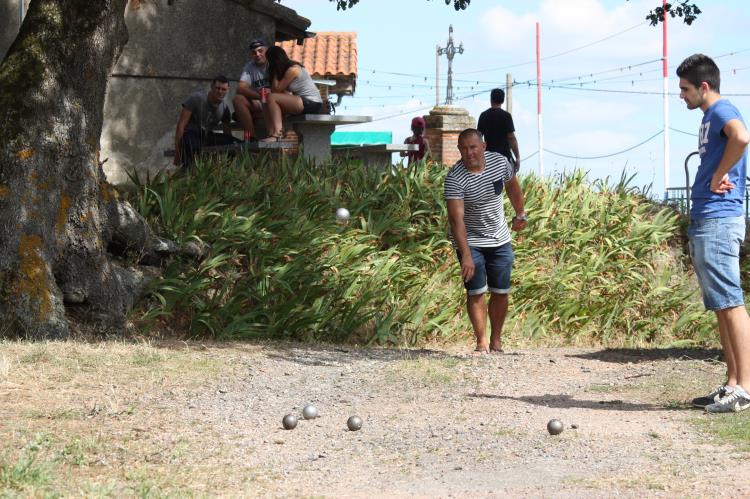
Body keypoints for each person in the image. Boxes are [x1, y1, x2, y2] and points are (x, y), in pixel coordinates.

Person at [677, 54, 750, 413]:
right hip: (709, 219)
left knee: (731, 303)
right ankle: (732, 384)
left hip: (720, 219)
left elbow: (741, 137)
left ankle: (746, 388)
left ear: (704, 87)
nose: (681, 95)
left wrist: (720, 173)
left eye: (685, 88)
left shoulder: (722, 111)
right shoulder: (709, 117)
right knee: (721, 305)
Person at [444, 128, 527, 355]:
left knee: (501, 291)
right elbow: (456, 219)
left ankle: (496, 341)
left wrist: (520, 213)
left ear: (483, 147)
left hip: (499, 238)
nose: (469, 153)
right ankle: (481, 342)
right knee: (476, 291)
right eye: (464, 148)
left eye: (473, 147)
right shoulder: (455, 178)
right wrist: (467, 255)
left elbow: (512, 186)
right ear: (459, 150)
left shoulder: (500, 164)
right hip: (469, 240)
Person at [260, 46, 323, 142]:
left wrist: (275, 72)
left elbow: (276, 90)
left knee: (271, 97)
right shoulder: (286, 70)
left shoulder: (293, 69)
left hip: (312, 103)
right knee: (265, 101)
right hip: (302, 101)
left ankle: (277, 134)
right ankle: (271, 133)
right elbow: (282, 92)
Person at [174, 75, 238, 168]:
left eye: (223, 89)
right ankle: (188, 171)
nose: (220, 92)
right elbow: (181, 125)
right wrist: (177, 153)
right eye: (217, 88)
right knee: (192, 146)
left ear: (227, 90)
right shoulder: (196, 98)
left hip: (207, 136)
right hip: (192, 134)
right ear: (212, 87)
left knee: (235, 144)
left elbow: (227, 133)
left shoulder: (225, 109)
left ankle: (224, 172)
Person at [233, 38, 270, 142]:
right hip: (261, 102)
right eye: (254, 53)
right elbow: (241, 88)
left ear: (266, 50)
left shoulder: (273, 63)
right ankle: (251, 137)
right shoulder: (250, 66)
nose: (257, 54)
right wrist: (261, 96)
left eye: (260, 51)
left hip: (275, 102)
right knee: (238, 99)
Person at [477, 88, 520, 171]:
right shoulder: (506, 116)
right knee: (508, 182)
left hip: (488, 158)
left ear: (491, 99)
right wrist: (517, 157)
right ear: (503, 100)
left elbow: (478, 137)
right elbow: (511, 138)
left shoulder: (483, 115)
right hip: (504, 157)